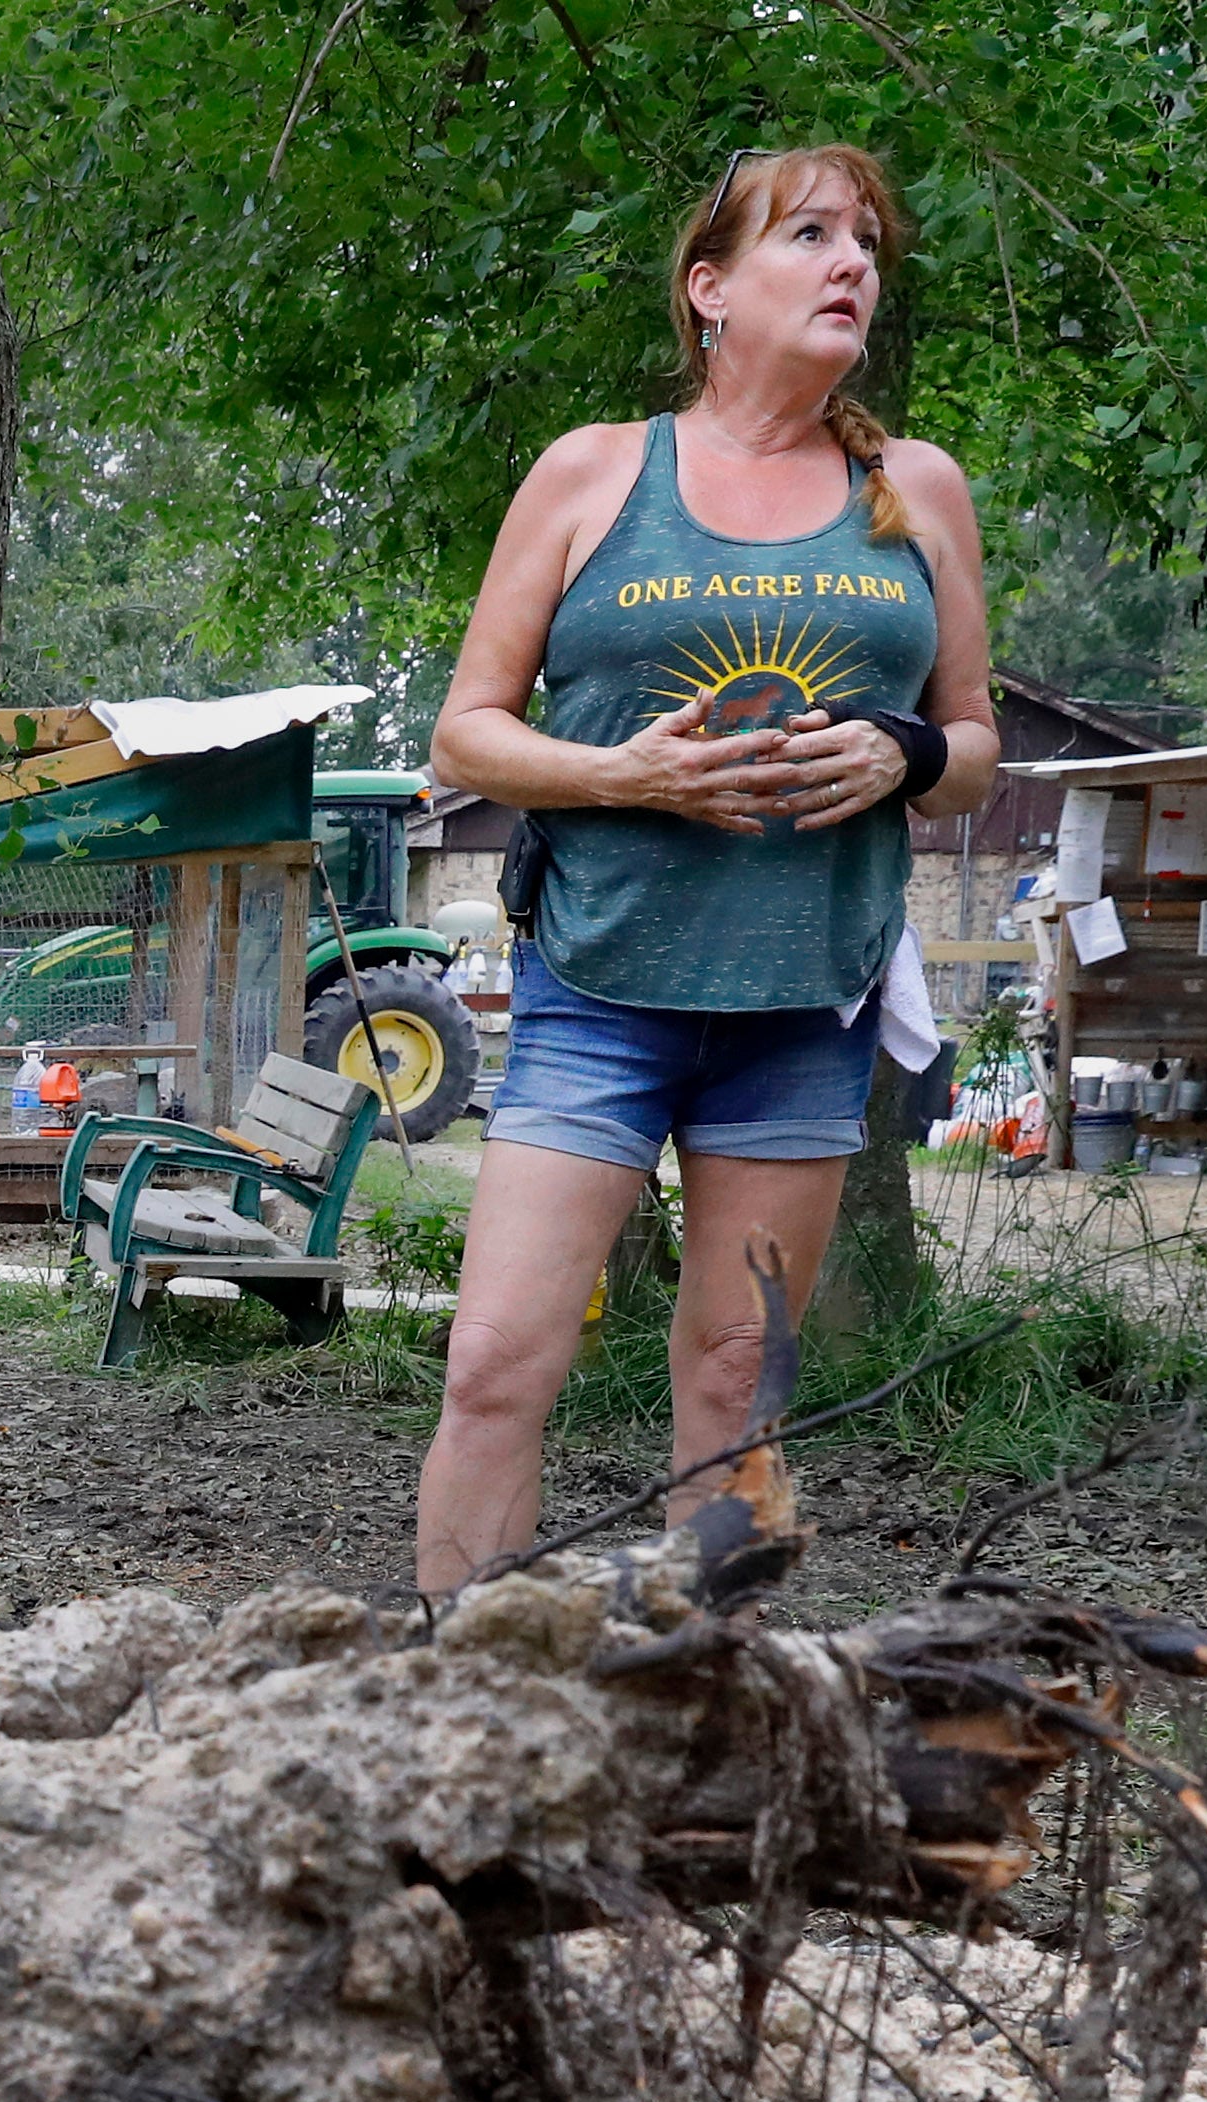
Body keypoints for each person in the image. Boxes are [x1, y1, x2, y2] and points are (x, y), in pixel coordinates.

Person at [412, 142, 1000, 1592]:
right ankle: (446, 1704)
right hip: (599, 989)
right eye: (810, 234)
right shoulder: (598, 470)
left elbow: (975, 736)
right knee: (493, 1365)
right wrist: (630, 774)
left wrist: (904, 760)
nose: (853, 262)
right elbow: (466, 733)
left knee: (739, 1380)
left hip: (802, 1007)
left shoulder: (914, 488)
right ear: (711, 289)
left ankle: (703, 1714)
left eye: (866, 240)